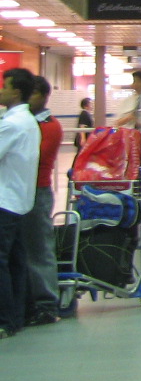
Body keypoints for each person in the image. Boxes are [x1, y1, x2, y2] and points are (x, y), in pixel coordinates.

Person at [0, 68, 40, 340]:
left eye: (4, 86)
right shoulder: (28, 121)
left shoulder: (11, 124)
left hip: (4, 200)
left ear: (15, 91)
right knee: (15, 261)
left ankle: (4, 320)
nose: (1, 90)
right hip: (20, 201)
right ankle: (17, 317)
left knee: (2, 262)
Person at [21, 77, 61, 325]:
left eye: (33, 94)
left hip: (37, 192)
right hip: (16, 192)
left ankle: (47, 303)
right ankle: (25, 300)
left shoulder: (50, 126)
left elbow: (31, 159)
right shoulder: (20, 122)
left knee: (38, 248)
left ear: (45, 96)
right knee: (20, 250)